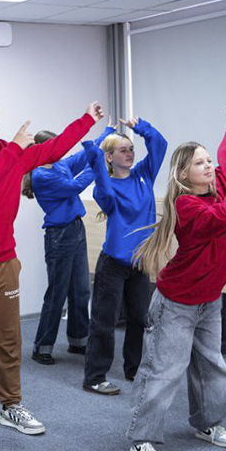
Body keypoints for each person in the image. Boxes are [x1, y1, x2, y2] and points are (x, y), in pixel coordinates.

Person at [0, 94, 103, 451]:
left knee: (7, 342)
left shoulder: (4, 153)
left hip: (3, 265)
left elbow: (54, 150)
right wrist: (13, 151)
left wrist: (85, 120)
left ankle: (10, 407)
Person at [126, 108, 226, 451]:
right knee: (165, 370)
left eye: (209, 161)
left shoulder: (219, 185)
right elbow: (225, 217)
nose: (210, 166)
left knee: (212, 366)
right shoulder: (187, 205)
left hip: (209, 300)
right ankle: (142, 437)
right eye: (200, 163)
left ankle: (207, 424)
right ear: (184, 174)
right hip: (176, 303)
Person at [82, 117, 168, 397]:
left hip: (141, 264)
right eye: (123, 149)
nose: (130, 153)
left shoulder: (144, 174)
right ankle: (95, 377)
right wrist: (96, 152)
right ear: (110, 156)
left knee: (139, 319)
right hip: (114, 265)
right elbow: (100, 178)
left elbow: (159, 144)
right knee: (104, 322)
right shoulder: (105, 187)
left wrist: (140, 126)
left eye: (131, 148)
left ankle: (134, 369)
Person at [24, 123, 114, 365]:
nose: (61, 150)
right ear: (44, 149)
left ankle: (78, 340)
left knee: (81, 290)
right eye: (56, 146)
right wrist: (98, 166)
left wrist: (106, 133)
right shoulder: (41, 175)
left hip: (76, 229)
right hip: (59, 236)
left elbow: (82, 156)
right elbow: (75, 186)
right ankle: (42, 346)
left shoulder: (59, 164)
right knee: (57, 293)